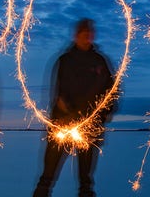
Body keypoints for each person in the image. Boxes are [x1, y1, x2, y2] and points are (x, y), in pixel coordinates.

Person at [33, 18, 116, 197]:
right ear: (76, 35)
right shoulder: (65, 60)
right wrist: (66, 112)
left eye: (89, 34)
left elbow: (112, 91)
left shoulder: (99, 61)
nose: (86, 37)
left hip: (89, 127)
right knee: (48, 175)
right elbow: (58, 93)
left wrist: (102, 115)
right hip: (62, 125)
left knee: (85, 180)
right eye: (83, 34)